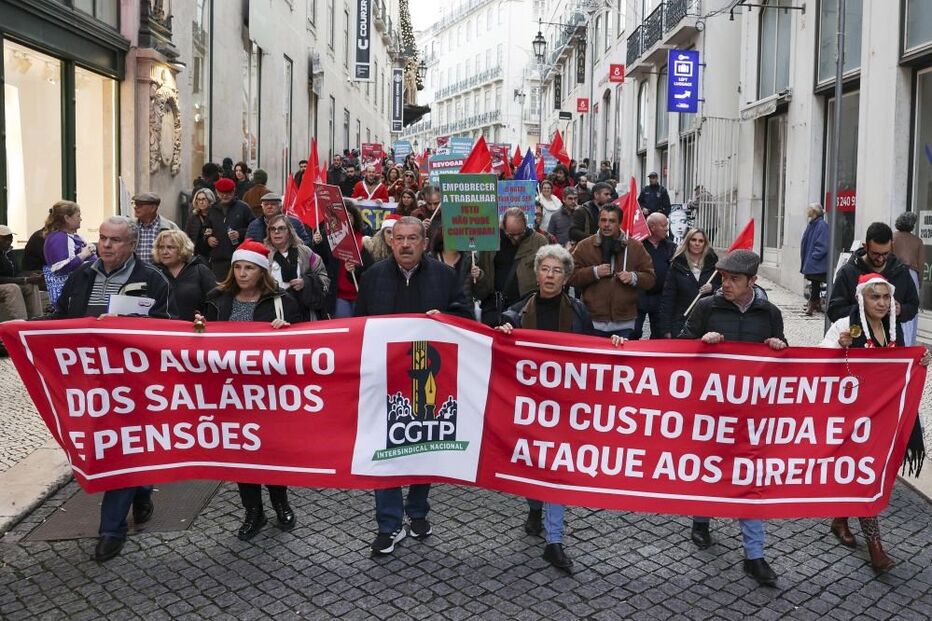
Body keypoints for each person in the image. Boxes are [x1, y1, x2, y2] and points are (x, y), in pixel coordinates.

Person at [50, 215, 176, 561]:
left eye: (115, 240)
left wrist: (128, 326)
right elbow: (60, 318)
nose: (105, 245)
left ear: (132, 245)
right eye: (103, 238)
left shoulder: (152, 280)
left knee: (122, 448)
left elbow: (168, 329)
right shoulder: (82, 274)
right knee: (108, 447)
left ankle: (111, 530)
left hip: (132, 385)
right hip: (89, 383)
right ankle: (141, 491)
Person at [497, 245, 622, 573]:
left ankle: (554, 541)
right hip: (528, 404)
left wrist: (614, 345)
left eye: (557, 271)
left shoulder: (579, 313)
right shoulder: (517, 313)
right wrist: (503, 334)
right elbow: (499, 354)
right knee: (532, 466)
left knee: (555, 470)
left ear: (566, 278)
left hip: (565, 406)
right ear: (536, 273)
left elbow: (592, 351)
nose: (550, 276)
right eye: (545, 269)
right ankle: (535, 507)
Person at [353, 216, 473, 556]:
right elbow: (357, 328)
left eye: (412, 239)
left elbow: (466, 319)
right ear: (391, 242)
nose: (405, 244)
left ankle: (418, 510)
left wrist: (445, 320)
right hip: (383, 375)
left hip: (427, 374)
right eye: (399, 238)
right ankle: (388, 524)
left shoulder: (446, 276)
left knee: (423, 445)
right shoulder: (371, 277)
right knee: (383, 451)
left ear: (424, 242)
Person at [681, 249, 786, 587]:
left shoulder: (770, 313)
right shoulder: (707, 306)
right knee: (708, 467)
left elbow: (783, 362)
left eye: (734, 279)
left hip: (753, 414)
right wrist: (701, 343)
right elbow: (681, 349)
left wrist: (779, 346)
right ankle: (701, 520)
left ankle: (754, 555)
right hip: (712, 409)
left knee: (751, 480)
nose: (725, 283)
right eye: (723, 277)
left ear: (752, 281)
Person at [820, 273, 928, 572]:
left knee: (869, 474)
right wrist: (838, 348)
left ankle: (840, 518)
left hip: (883, 416)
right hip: (852, 418)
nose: (881, 303)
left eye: (885, 297)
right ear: (861, 299)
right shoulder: (846, 326)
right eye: (874, 297)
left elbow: (900, 368)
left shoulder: (893, 329)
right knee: (865, 478)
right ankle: (876, 548)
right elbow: (816, 362)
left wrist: (919, 362)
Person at [200, 240, 302, 541]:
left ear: (262, 272)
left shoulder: (281, 301)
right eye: (238, 267)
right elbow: (197, 337)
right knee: (241, 454)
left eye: (250, 268)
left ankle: (280, 502)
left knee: (271, 450)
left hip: (267, 391)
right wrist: (198, 330)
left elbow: (303, 344)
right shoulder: (216, 298)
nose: (243, 273)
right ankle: (252, 511)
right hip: (229, 391)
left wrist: (288, 332)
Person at [568, 204, 655, 338]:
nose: (607, 225)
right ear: (598, 222)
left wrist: (633, 277)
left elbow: (650, 279)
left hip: (625, 323)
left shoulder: (635, 247)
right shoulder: (584, 246)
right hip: (593, 321)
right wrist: (594, 272)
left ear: (620, 223)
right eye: (603, 220)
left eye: (612, 221)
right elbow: (570, 276)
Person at [827, 222, 919, 328]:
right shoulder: (847, 272)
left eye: (885, 253)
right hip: (858, 339)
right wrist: (865, 309)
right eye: (875, 254)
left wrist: (901, 310)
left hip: (892, 339)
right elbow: (834, 311)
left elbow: (913, 305)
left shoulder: (901, 271)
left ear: (892, 246)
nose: (880, 258)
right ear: (865, 247)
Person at [475, 208, 549, 326]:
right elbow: (485, 274)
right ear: (503, 227)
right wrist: (479, 275)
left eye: (520, 233)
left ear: (526, 225)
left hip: (524, 307)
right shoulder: (492, 241)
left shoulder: (539, 242)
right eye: (511, 234)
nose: (516, 238)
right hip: (495, 305)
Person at [264, 214, 330, 321]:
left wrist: (306, 282)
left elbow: (323, 277)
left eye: (281, 228)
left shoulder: (306, 252)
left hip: (304, 311)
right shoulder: (264, 255)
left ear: (289, 231)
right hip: (274, 311)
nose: (276, 232)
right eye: (273, 229)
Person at [314, 201, 373, 318]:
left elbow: (370, 265)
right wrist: (318, 243)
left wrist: (355, 268)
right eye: (343, 215)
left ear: (355, 217)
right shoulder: (330, 236)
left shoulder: (364, 235)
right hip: (340, 294)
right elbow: (322, 259)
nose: (346, 219)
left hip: (360, 292)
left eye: (349, 216)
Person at [659, 228, 720, 338]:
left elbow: (723, 289)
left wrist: (712, 288)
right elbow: (668, 297)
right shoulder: (677, 265)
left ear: (705, 244)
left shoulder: (713, 265)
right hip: (682, 319)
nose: (697, 244)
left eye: (701, 241)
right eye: (693, 240)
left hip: (708, 321)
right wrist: (666, 328)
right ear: (688, 241)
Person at [152, 229, 216, 321]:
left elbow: (216, 302)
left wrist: (204, 318)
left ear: (182, 248)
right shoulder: (154, 273)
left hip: (193, 330)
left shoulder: (200, 270)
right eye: (161, 247)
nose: (164, 252)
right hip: (161, 331)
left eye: (170, 247)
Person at [42, 200, 96, 305]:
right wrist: (83, 255)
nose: (81, 219)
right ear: (67, 218)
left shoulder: (74, 236)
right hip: (69, 291)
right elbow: (61, 269)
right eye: (78, 216)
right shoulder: (58, 238)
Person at [633, 213, 674, 339]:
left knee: (659, 333)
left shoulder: (670, 246)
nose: (667, 228)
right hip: (639, 296)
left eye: (667, 225)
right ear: (652, 227)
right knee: (634, 331)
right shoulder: (638, 245)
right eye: (663, 225)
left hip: (661, 297)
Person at [206, 177, 255, 281]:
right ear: (217, 192)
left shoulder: (243, 208)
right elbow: (205, 229)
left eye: (228, 193)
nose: (225, 196)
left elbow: (254, 229)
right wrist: (208, 239)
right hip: (218, 260)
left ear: (233, 191)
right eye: (221, 193)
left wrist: (240, 233)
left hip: (239, 258)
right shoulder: (212, 209)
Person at [0, 225, 44, 322]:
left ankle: (37, 320)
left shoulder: (8, 252)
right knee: (12, 288)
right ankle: (21, 322)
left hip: (6, 283)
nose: (9, 241)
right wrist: (24, 279)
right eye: (5, 238)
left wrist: (29, 275)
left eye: (10, 238)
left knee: (31, 285)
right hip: (4, 285)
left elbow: (16, 273)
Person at [893, 212, 923, 345]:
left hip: (896, 272)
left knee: (895, 305)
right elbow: (921, 264)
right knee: (911, 307)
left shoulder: (892, 237)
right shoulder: (918, 241)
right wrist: (920, 281)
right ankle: (909, 342)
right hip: (912, 274)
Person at [245, 192, 312, 246]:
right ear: (262, 207)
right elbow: (247, 245)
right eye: (266, 204)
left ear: (280, 206)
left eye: (273, 204)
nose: (269, 207)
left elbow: (306, 243)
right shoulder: (253, 225)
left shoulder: (294, 222)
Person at [133, 192, 179, 266]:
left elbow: (181, 252)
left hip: (161, 273)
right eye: (135, 204)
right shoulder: (130, 227)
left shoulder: (170, 228)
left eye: (140, 205)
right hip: (135, 274)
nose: (135, 207)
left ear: (153, 208)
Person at [799, 203, 829, 315]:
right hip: (812, 261)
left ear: (815, 212)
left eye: (809, 210)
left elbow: (823, 244)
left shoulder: (821, 225)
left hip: (817, 262)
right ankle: (816, 304)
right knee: (815, 284)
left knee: (816, 283)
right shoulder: (813, 224)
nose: (807, 212)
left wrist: (814, 256)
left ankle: (812, 304)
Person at [185, 188, 216, 261]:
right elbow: (186, 235)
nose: (201, 202)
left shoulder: (216, 215)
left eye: (203, 199)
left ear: (210, 200)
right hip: (198, 254)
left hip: (213, 253)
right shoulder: (193, 217)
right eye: (199, 200)